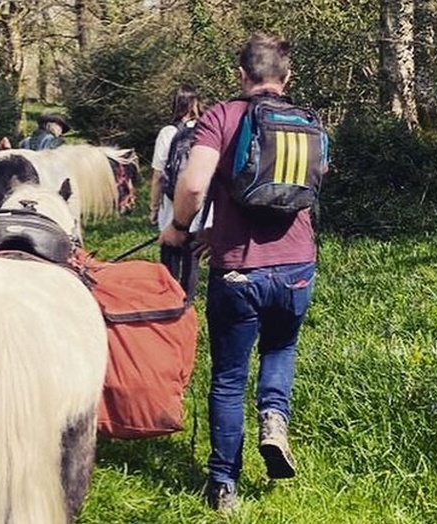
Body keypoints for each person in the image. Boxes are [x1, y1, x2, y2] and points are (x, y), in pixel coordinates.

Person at [159, 33, 321, 512]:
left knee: (229, 378)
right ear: (286, 77)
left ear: (240, 75)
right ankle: (274, 417)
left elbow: (192, 185)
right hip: (297, 265)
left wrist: (179, 228)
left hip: (239, 272)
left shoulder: (223, 116)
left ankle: (224, 485)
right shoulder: (306, 122)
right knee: (281, 347)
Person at [149, 83, 205, 300]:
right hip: (198, 209)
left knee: (170, 257)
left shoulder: (168, 132)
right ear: (196, 103)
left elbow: (158, 176)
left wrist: (153, 208)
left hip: (172, 209)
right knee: (192, 260)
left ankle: (169, 302)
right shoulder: (206, 131)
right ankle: (188, 304)